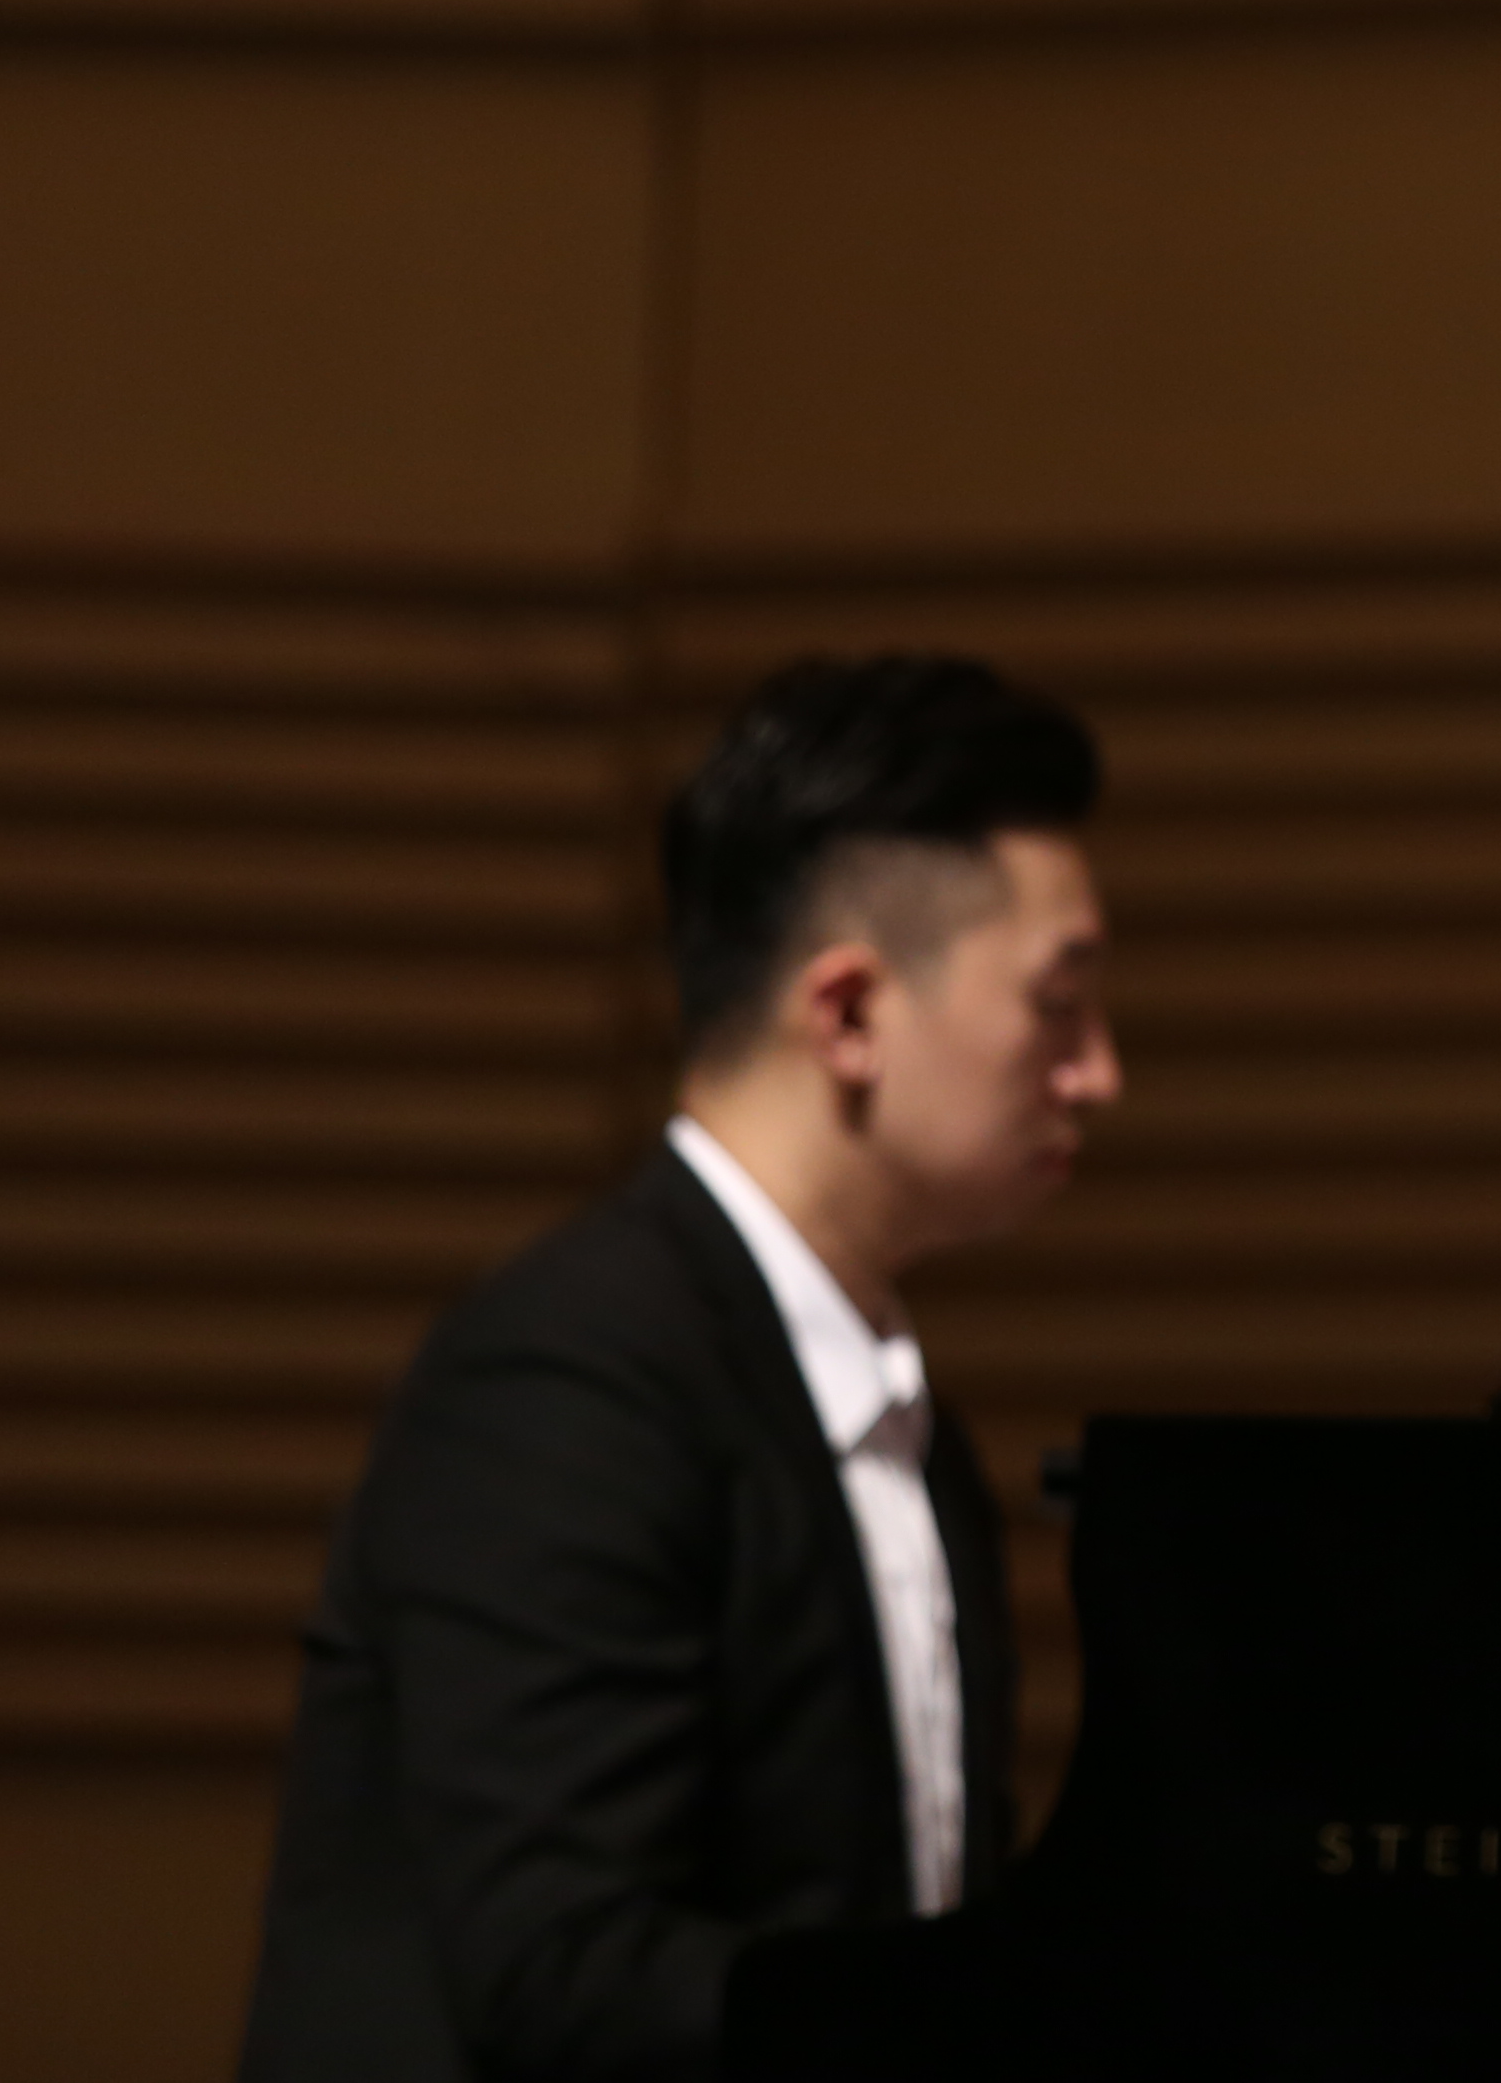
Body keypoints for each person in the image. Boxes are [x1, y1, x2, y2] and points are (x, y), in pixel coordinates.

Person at [238, 655, 1124, 2083]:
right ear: (849, 1014)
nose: (1098, 1074)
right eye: (1058, 1004)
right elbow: (563, 1972)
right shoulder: (567, 1380)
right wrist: (1003, 2011)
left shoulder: (898, 1419)